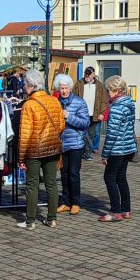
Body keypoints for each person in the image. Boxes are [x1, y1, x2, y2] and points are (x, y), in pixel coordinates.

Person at [17, 69, 65, 230]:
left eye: (25, 85)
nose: (24, 88)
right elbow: (61, 126)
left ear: (31, 86)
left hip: (34, 150)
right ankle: (52, 219)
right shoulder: (54, 101)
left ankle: (30, 221)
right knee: (51, 183)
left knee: (32, 185)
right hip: (52, 148)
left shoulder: (29, 105)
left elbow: (25, 135)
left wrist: (21, 157)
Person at [99, 75, 137, 222]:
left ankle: (115, 211)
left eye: (109, 90)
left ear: (116, 90)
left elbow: (112, 134)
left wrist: (105, 154)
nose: (107, 93)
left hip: (117, 149)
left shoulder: (116, 108)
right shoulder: (128, 104)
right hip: (127, 147)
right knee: (121, 178)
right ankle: (126, 209)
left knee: (109, 178)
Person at [54, 74, 89, 216]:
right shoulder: (55, 102)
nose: (64, 91)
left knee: (73, 173)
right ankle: (66, 202)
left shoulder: (79, 102)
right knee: (63, 174)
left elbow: (85, 123)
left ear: (70, 88)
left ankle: (75, 202)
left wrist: (68, 116)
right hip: (61, 144)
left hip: (76, 143)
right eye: (61, 88)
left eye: (66, 88)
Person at [73, 67, 106, 160]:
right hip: (81, 115)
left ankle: (87, 153)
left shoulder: (99, 85)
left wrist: (102, 113)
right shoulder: (79, 84)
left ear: (93, 74)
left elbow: (103, 100)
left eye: (89, 74)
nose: (86, 76)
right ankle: (82, 152)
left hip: (94, 114)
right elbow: (73, 97)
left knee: (91, 135)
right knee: (81, 134)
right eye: (85, 74)